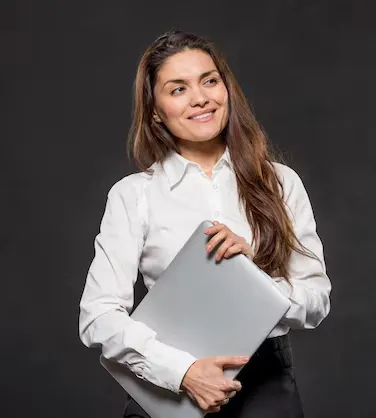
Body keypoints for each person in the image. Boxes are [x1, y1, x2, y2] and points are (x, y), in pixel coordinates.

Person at [78, 30, 331, 418]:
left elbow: (316, 302)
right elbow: (98, 317)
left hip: (265, 386)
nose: (200, 98)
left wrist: (256, 275)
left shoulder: (279, 183)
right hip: (167, 385)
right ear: (155, 110)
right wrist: (183, 372)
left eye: (209, 81)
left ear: (226, 89)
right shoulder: (134, 195)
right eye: (177, 89)